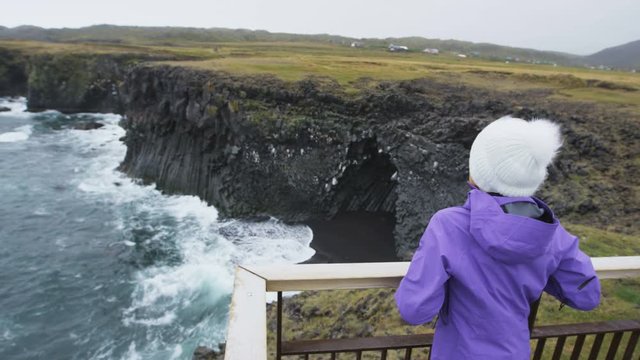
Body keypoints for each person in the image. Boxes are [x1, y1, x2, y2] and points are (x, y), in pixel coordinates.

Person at [395, 116, 601, 359]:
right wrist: (540, 271)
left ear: (477, 172)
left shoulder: (448, 225)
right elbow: (587, 295)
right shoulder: (550, 233)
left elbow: (414, 310)